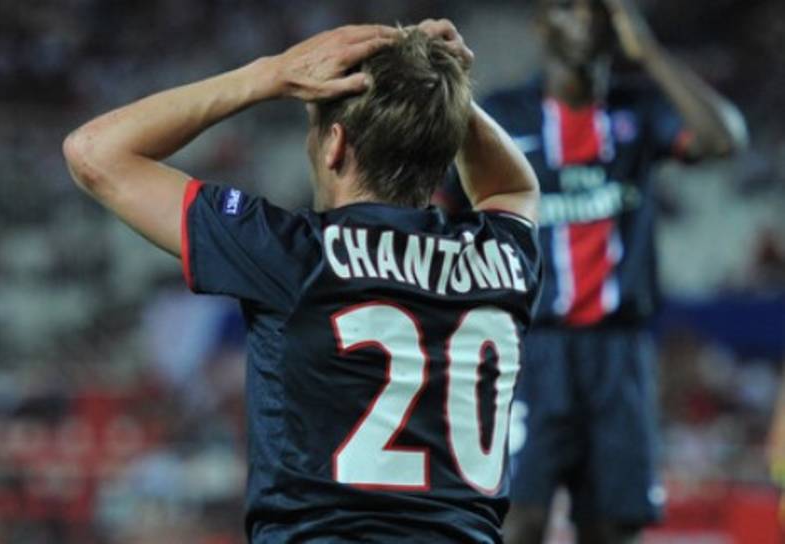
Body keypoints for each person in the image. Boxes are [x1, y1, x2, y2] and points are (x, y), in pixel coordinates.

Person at [63, 19, 542, 543]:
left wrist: (268, 74)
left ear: (335, 143)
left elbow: (94, 151)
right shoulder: (501, 257)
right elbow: (513, 188)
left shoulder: (291, 254)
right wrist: (440, 93)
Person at [438, 1, 747, 543]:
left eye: (594, 8)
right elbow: (441, 211)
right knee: (517, 520)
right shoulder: (503, 115)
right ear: (542, 24)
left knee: (612, 528)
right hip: (530, 351)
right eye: (568, 8)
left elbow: (724, 140)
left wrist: (648, 53)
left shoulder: (639, 109)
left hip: (619, 353)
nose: (583, 19)